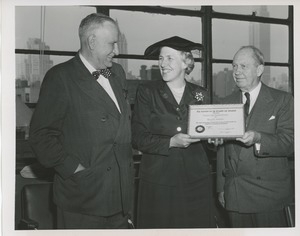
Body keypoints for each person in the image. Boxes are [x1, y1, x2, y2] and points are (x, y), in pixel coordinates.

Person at [29, 13, 134, 229]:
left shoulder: (118, 73)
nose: (116, 50)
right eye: (112, 43)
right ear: (92, 42)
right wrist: (74, 169)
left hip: (120, 196)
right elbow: (41, 136)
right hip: (83, 197)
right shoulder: (60, 77)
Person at [132, 36, 215, 228]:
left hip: (196, 181)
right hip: (159, 181)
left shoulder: (201, 94)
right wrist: (170, 142)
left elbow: (209, 136)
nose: (163, 64)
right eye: (161, 59)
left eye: (169, 58)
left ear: (186, 62)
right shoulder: (147, 91)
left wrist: (215, 139)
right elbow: (138, 137)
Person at [216, 45, 294, 227]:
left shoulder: (282, 100)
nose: (237, 71)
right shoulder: (226, 102)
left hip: (269, 195)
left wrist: (259, 138)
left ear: (259, 69)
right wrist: (221, 187)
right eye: (234, 66)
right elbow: (222, 151)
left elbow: (290, 143)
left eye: (243, 66)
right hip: (235, 193)